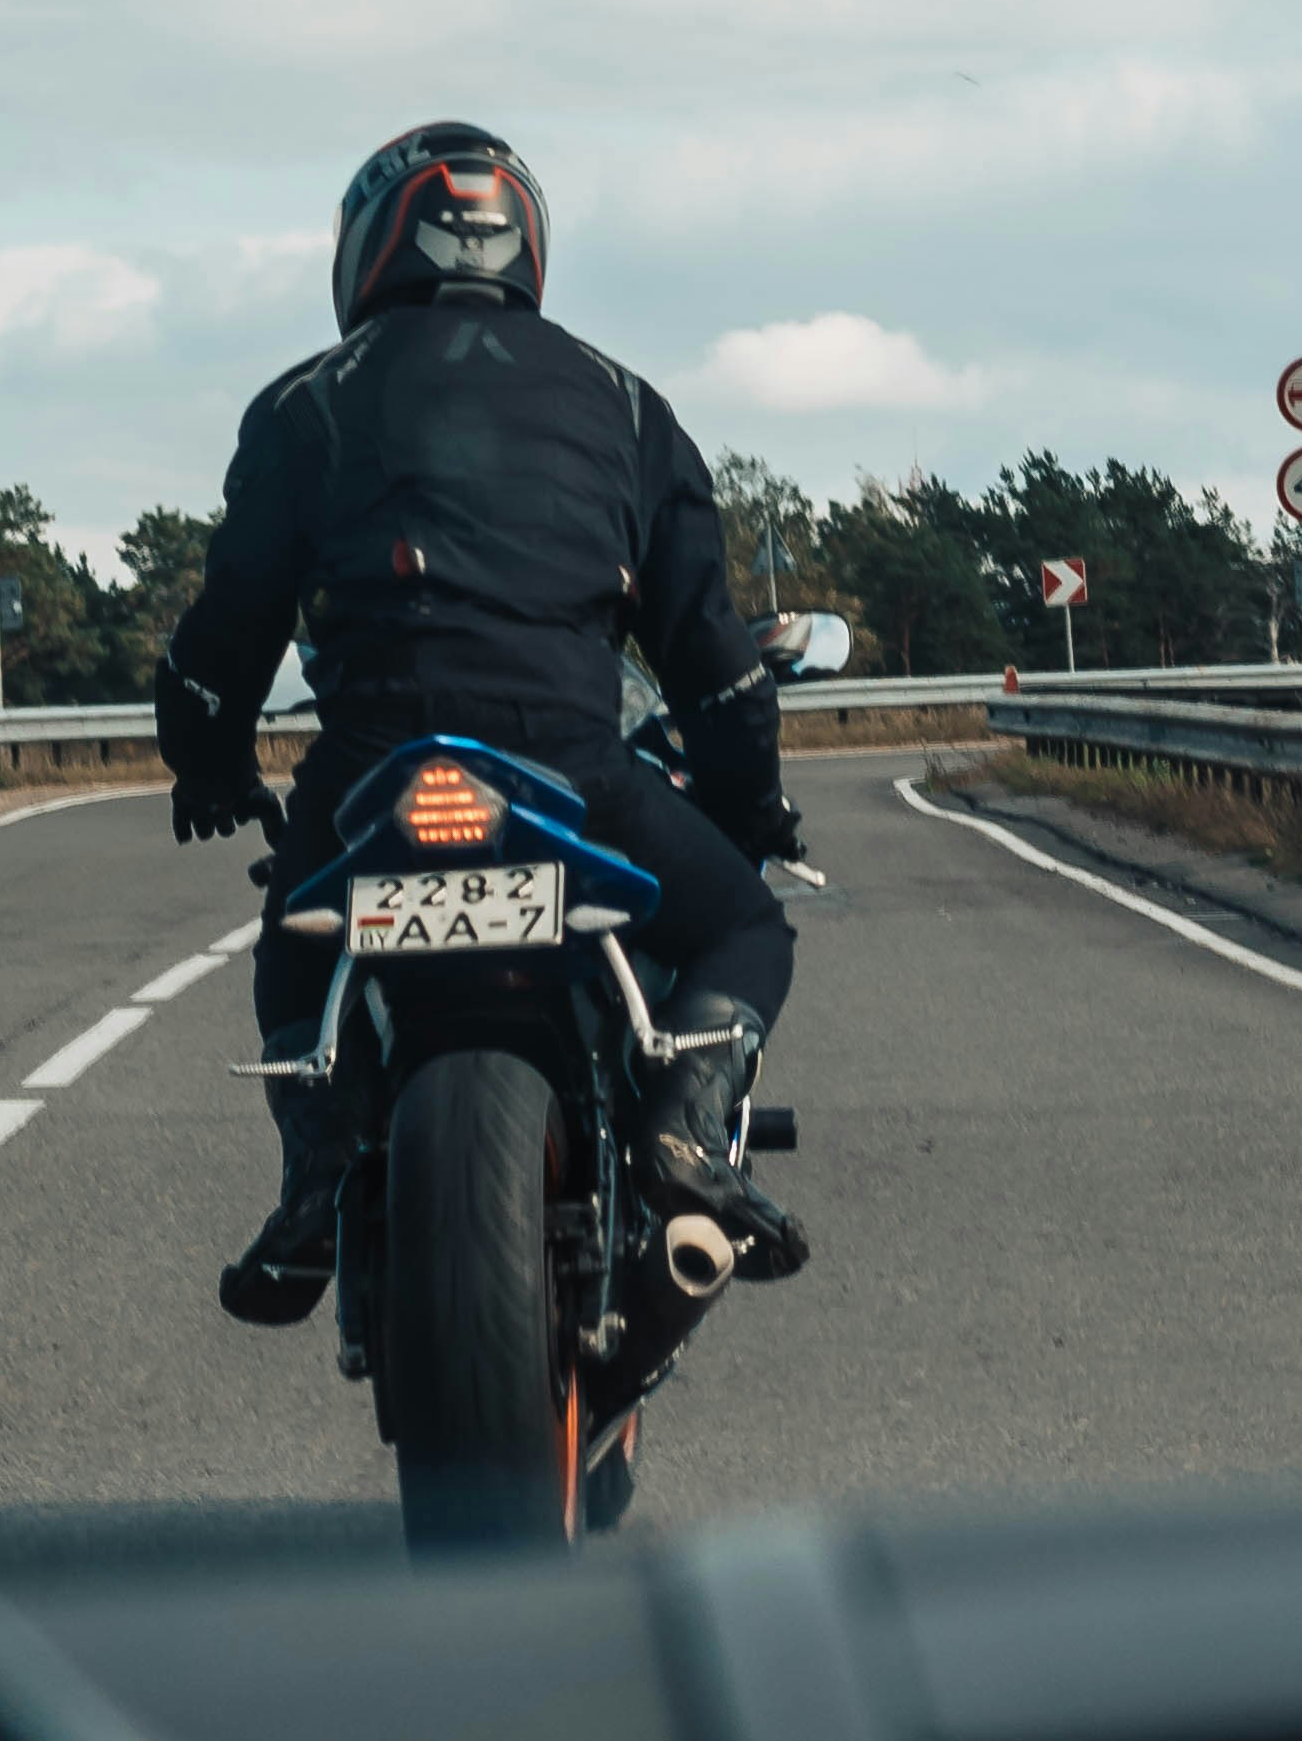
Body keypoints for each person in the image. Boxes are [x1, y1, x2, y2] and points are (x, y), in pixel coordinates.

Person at [155, 122, 813, 1321]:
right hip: (569, 761)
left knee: (296, 945)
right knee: (746, 926)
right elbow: (711, 659)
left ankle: (313, 1170)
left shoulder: (308, 403)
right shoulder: (625, 403)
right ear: (526, 245)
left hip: (373, 771)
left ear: (366, 248)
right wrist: (749, 804)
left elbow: (226, 635)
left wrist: (208, 766)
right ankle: (683, 1130)